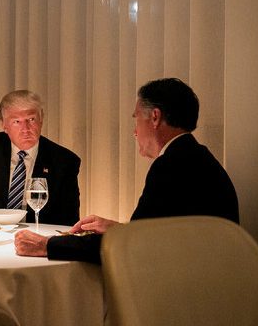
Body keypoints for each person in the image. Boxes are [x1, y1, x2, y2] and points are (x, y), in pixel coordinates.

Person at [14, 78, 239, 263]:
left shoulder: (170, 166)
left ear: (155, 117)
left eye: (136, 119)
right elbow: (158, 234)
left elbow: (136, 245)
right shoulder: (196, 157)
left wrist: (48, 245)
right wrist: (117, 228)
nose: (134, 132)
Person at [0, 90, 81, 226]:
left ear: (41, 120)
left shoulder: (64, 161)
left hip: (39, 234)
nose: (25, 129)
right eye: (17, 121)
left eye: (31, 119)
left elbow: (69, 220)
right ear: (4, 125)